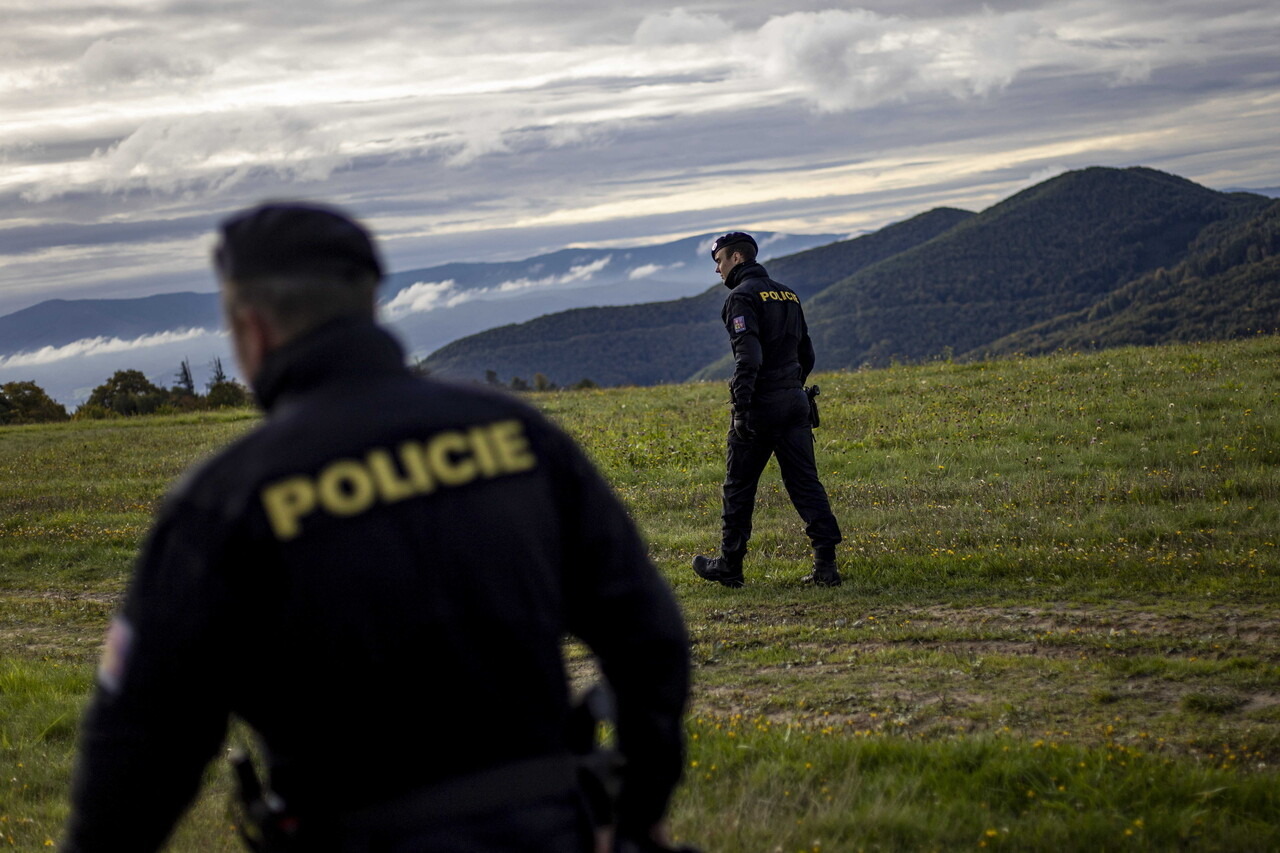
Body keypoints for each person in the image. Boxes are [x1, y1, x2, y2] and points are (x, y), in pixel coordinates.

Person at [63, 202, 691, 853]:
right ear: (368, 304)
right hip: (549, 826)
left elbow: (139, 746)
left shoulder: (225, 502)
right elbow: (650, 639)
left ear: (252, 328)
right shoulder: (518, 437)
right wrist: (637, 809)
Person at [692, 232, 843, 588]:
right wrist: (793, 386)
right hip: (795, 401)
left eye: (719, 261)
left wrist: (742, 406)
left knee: (739, 487)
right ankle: (826, 566)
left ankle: (730, 565)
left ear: (737, 259)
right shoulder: (788, 293)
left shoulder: (740, 298)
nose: (717, 270)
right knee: (806, 484)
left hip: (762, 405)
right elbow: (806, 353)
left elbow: (749, 356)